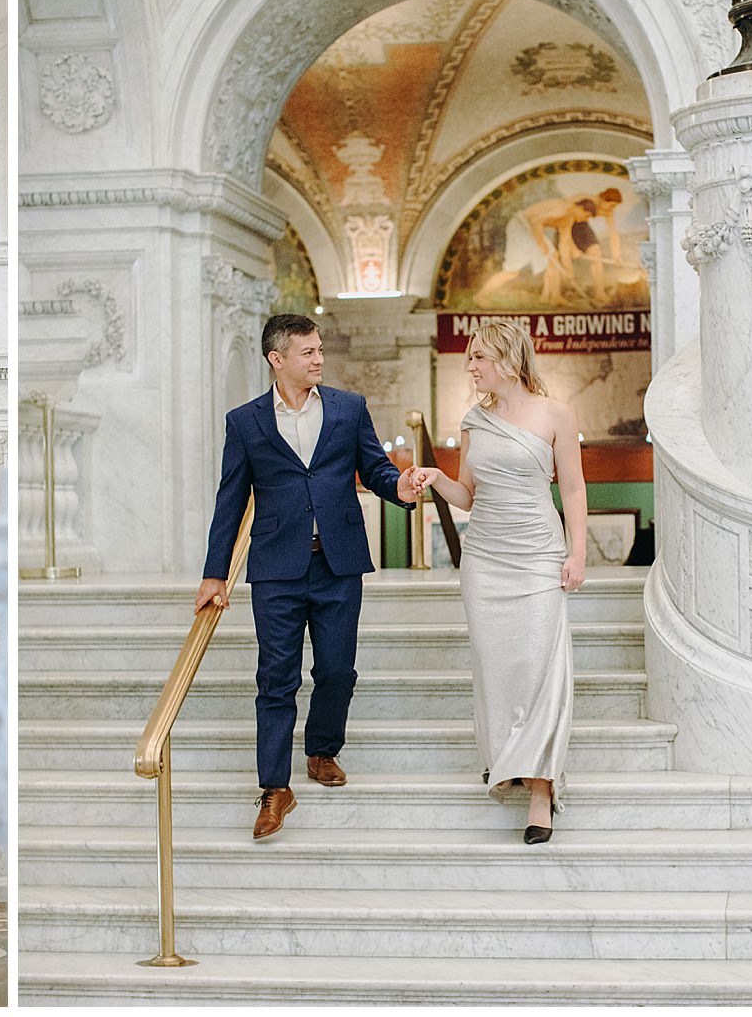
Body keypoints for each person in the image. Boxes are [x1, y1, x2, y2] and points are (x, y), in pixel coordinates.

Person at [197, 314, 421, 840]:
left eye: (320, 349)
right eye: (307, 352)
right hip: (276, 567)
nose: (318, 358)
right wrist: (214, 574)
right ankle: (275, 788)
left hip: (338, 560)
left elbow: (375, 469)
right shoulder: (245, 421)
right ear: (277, 359)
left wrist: (401, 488)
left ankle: (323, 750)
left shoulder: (349, 409)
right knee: (276, 679)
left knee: (337, 670)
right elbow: (229, 501)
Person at [410, 318, 585, 843]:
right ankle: (507, 756)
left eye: (478, 358)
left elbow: (573, 490)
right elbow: (468, 493)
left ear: (507, 359)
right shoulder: (474, 420)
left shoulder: (555, 413)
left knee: (539, 665)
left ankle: (541, 789)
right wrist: (439, 479)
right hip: (485, 558)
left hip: (536, 555)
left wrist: (577, 552)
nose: (471, 367)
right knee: (495, 667)